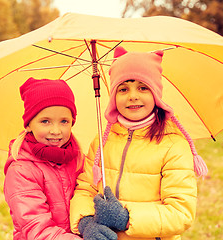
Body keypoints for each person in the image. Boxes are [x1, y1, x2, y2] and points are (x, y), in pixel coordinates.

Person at [69, 46, 208, 240]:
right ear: (113, 97)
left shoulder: (173, 146)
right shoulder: (102, 142)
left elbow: (180, 213)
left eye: (143, 87)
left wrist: (125, 218)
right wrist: (86, 222)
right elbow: (85, 188)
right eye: (123, 89)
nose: (132, 95)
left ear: (156, 95)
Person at [4, 77, 84, 240]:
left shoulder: (79, 159)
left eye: (64, 121)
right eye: (45, 121)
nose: (56, 130)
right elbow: (36, 227)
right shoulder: (21, 171)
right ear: (28, 124)